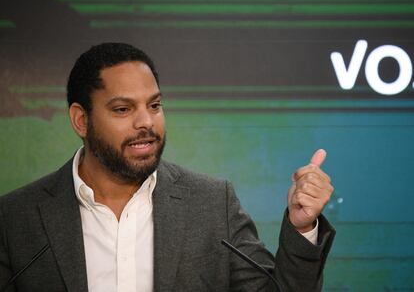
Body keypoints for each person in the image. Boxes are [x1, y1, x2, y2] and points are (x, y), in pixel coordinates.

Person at [0, 43, 335, 292]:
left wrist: (301, 226)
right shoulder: (15, 219)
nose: (146, 122)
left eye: (154, 105)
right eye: (122, 109)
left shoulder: (212, 203)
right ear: (81, 119)